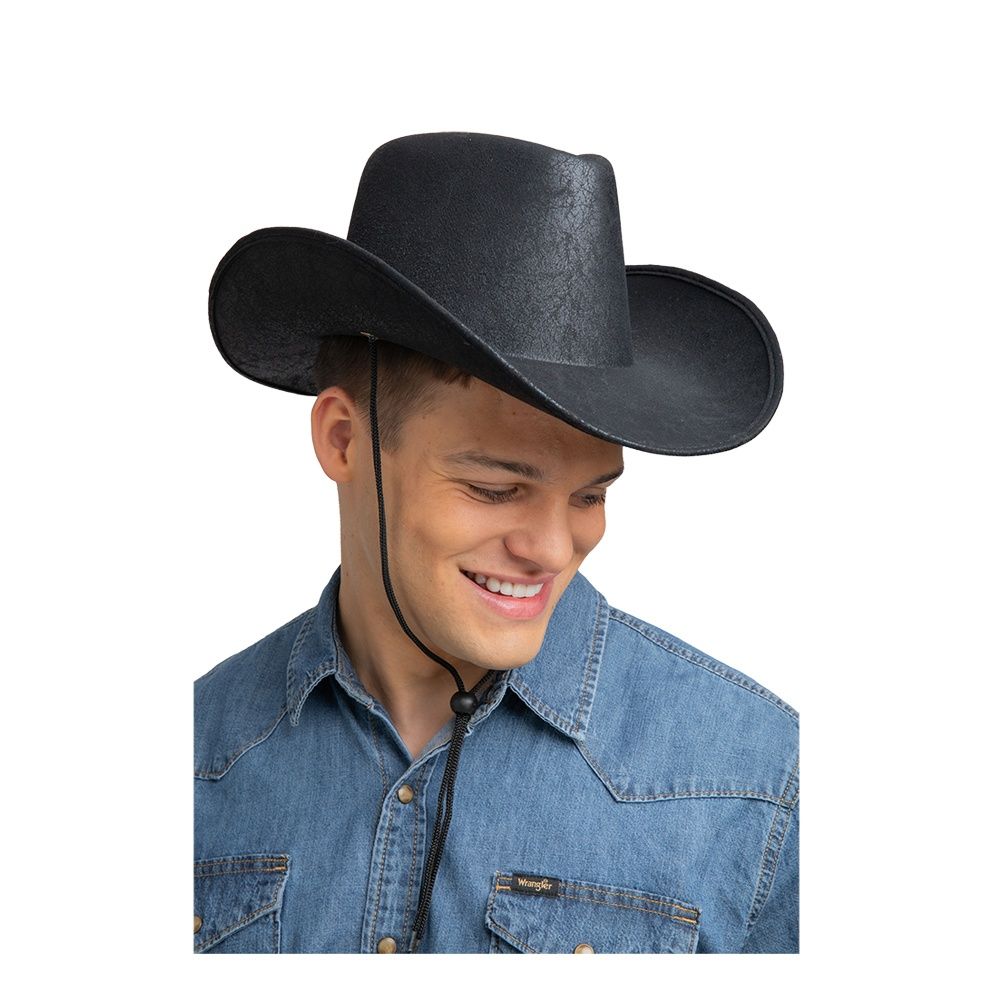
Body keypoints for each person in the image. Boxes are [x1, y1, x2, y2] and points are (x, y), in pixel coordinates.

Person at [194, 131, 799, 954]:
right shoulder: (196, 757)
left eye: (590, 495)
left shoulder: (755, 781)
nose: (552, 548)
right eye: (494, 489)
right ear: (343, 440)